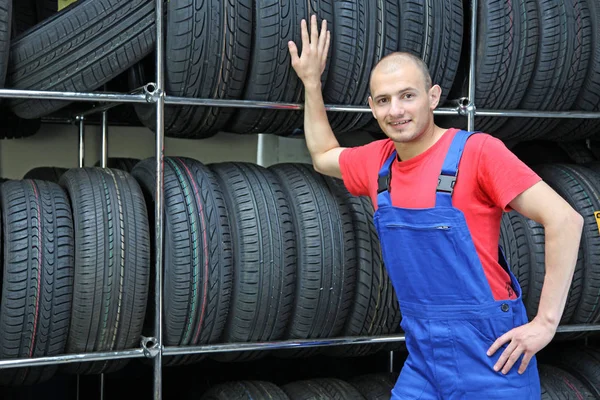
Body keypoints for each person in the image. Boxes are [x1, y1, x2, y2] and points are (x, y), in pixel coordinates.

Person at [287, 15, 584, 399]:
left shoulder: (477, 153)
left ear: (433, 96)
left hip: (491, 356)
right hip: (423, 358)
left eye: (408, 95)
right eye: (383, 100)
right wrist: (312, 82)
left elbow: (565, 219)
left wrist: (545, 324)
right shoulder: (378, 163)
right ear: (372, 109)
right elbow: (323, 154)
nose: (396, 110)